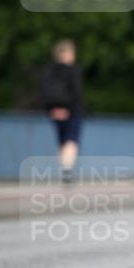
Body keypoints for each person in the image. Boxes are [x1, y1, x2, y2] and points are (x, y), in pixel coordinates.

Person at [41, 39, 84, 182]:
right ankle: (67, 169)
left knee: (61, 140)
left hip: (54, 112)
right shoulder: (72, 71)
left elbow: (44, 93)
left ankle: (64, 167)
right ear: (68, 53)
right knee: (71, 140)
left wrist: (52, 110)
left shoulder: (49, 71)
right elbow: (76, 93)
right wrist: (69, 109)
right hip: (72, 111)